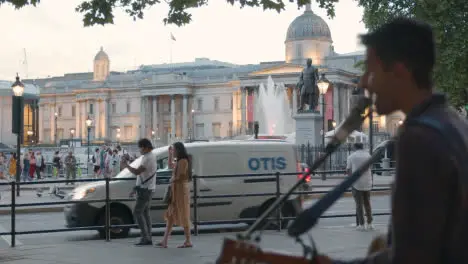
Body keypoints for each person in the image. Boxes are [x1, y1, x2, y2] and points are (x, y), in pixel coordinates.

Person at [317, 17, 468, 264]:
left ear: (399, 70)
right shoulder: (454, 123)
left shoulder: (420, 139)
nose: (363, 81)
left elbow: (410, 258)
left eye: (371, 70)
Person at [158, 142, 193, 248]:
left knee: (183, 214)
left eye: (173, 150)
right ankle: (165, 241)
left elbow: (181, 175)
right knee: (171, 215)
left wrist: (173, 179)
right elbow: (170, 165)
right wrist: (169, 154)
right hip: (177, 191)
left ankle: (188, 240)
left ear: (178, 150)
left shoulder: (183, 161)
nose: (173, 152)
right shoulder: (179, 161)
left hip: (180, 192)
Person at [126, 138, 156, 246]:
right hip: (147, 188)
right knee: (145, 213)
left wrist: (127, 166)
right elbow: (142, 175)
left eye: (141, 147)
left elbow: (137, 171)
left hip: (145, 189)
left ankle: (145, 237)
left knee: (137, 212)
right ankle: (148, 236)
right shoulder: (149, 156)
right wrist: (135, 188)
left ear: (146, 147)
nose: (139, 149)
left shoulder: (148, 158)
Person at [347, 143, 373, 231]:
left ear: (355, 147)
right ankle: (370, 223)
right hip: (367, 182)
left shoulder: (351, 156)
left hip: (356, 183)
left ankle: (361, 224)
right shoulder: (368, 155)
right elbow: (370, 168)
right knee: (367, 203)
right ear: (362, 147)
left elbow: (348, 170)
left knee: (359, 205)